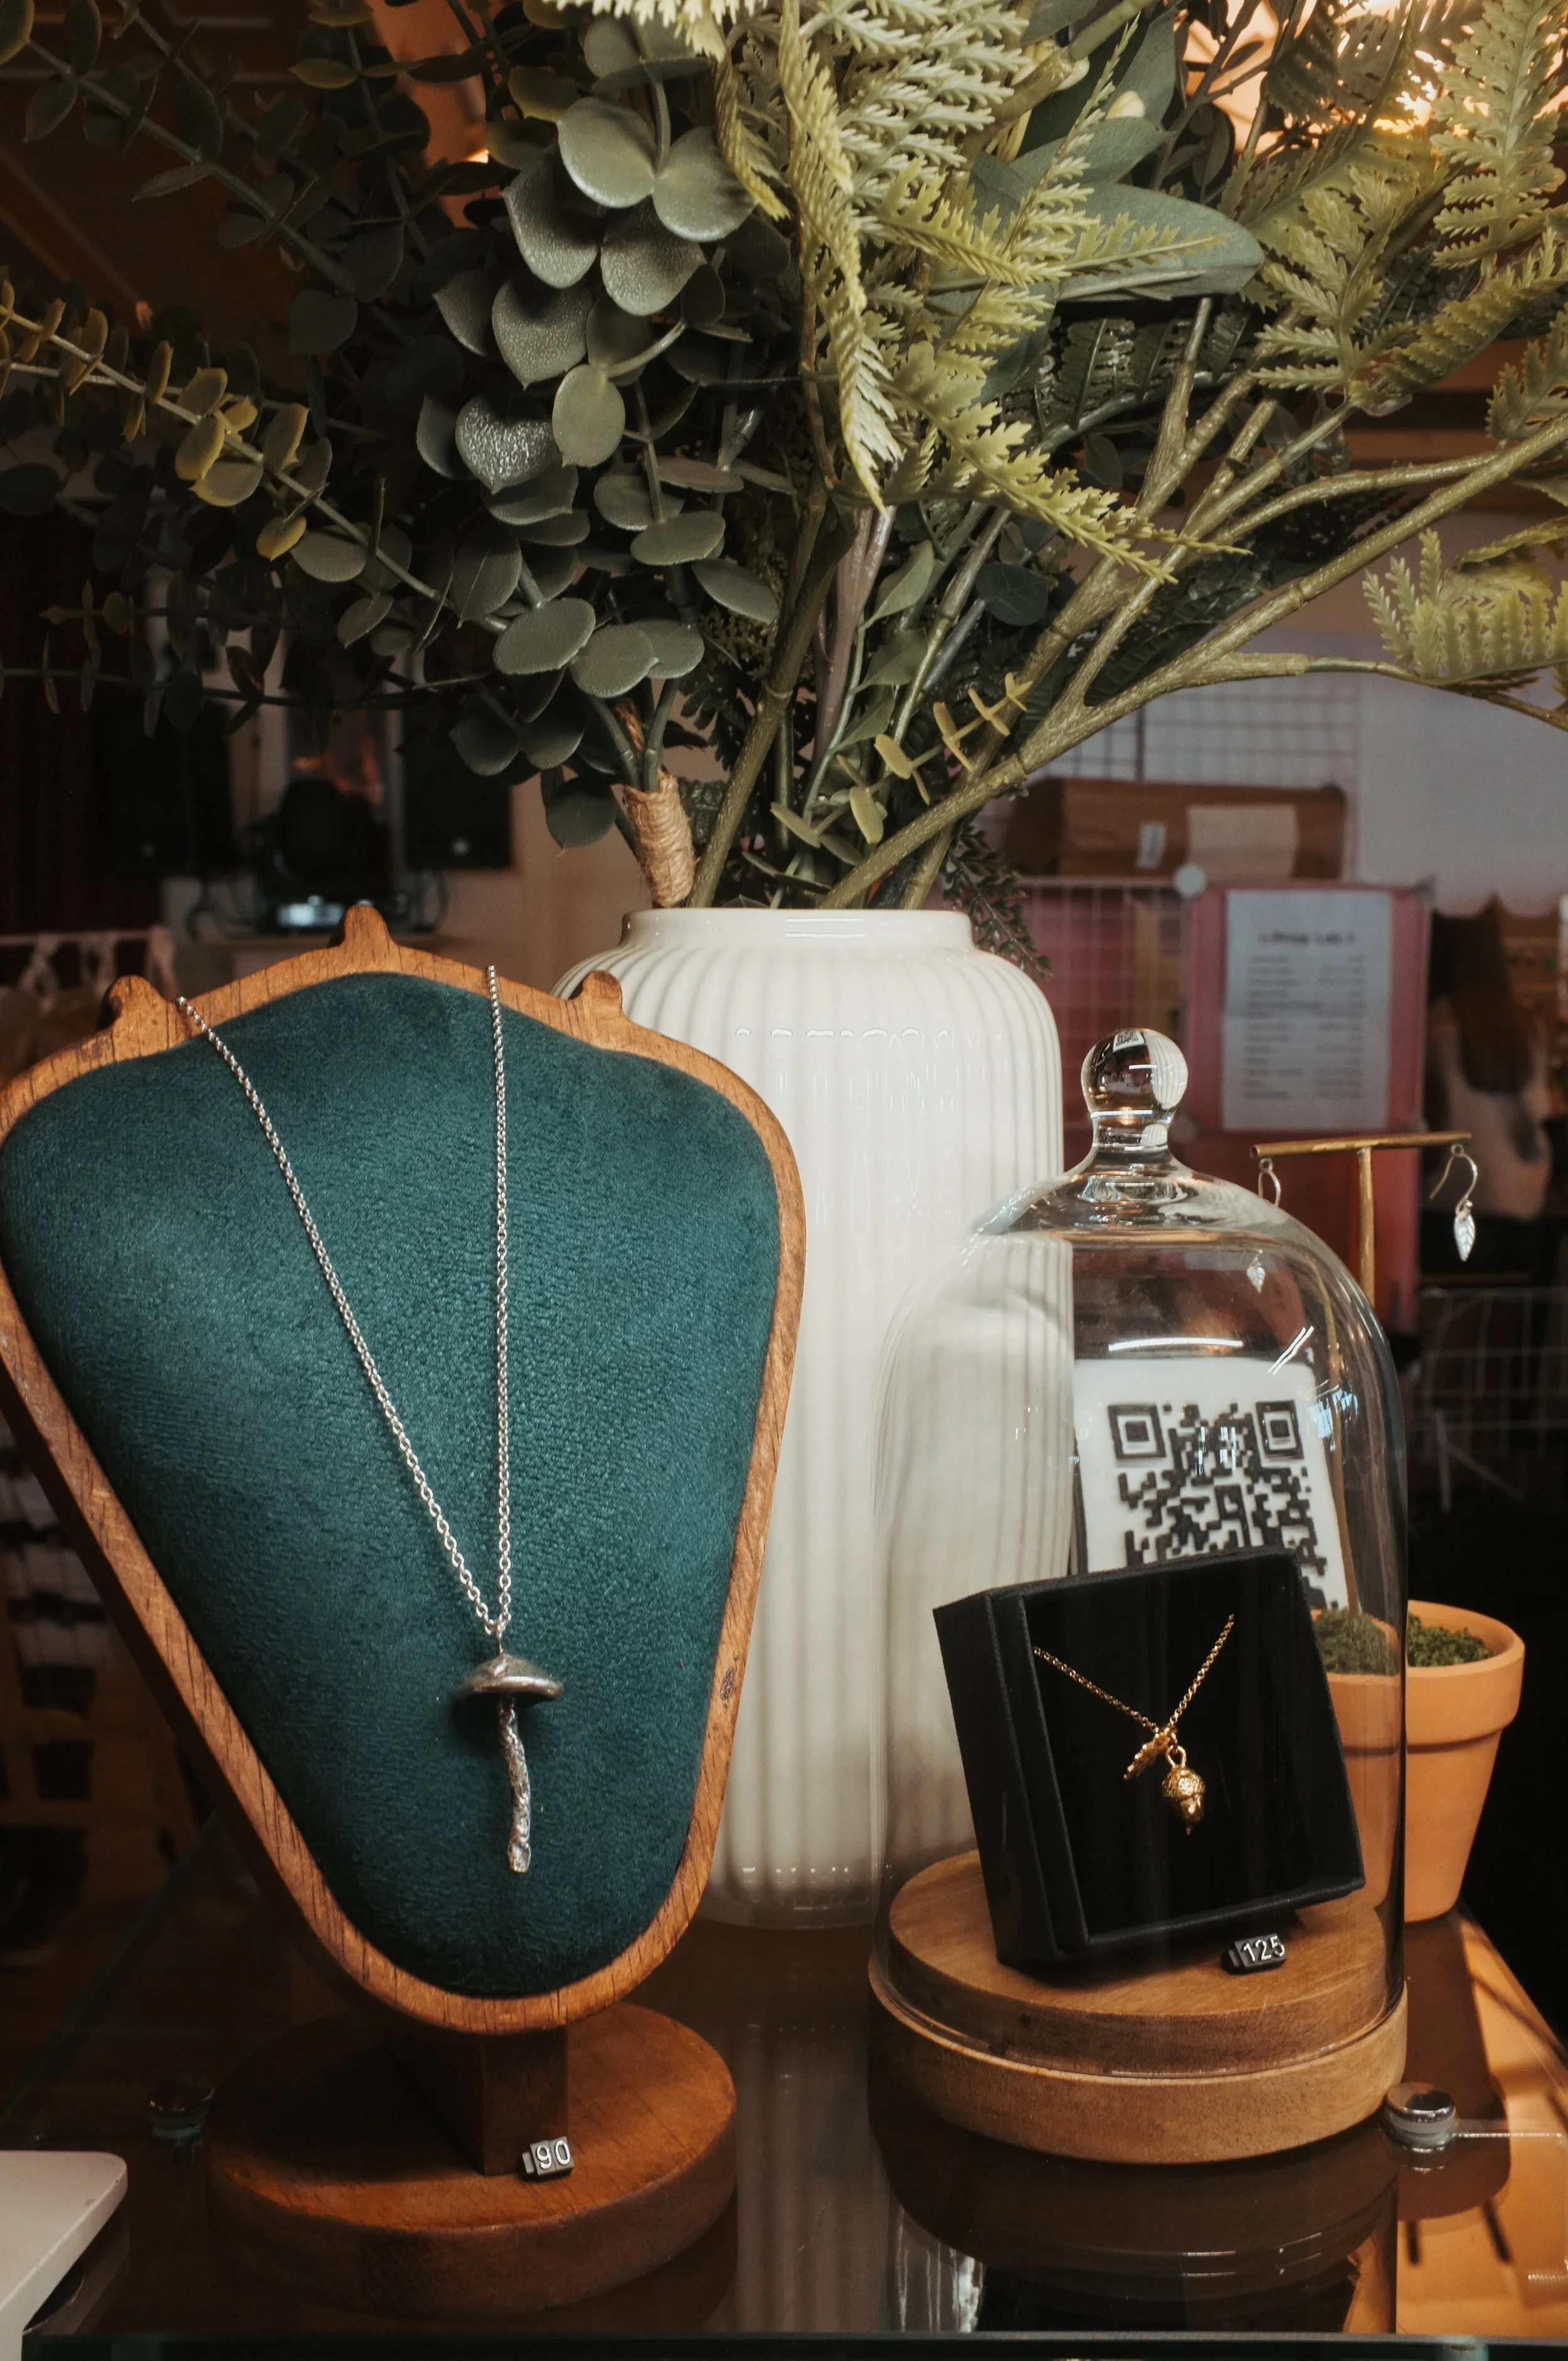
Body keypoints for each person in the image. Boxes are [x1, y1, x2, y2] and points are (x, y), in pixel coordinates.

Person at [1423, 903, 1559, 1281]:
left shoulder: (1429, 1027)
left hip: (1444, 1211)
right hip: (1522, 1210)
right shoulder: (1526, 1028)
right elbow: (1538, 1123)